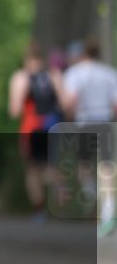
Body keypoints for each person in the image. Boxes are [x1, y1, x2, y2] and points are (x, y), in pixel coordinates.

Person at [59, 38, 117, 237]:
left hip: (84, 122)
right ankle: (108, 210)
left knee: (84, 164)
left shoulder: (75, 73)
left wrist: (68, 117)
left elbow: (70, 101)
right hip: (105, 121)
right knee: (107, 166)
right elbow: (115, 104)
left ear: (83, 53)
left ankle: (90, 192)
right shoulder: (109, 73)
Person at [8, 43, 63, 220]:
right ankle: (62, 196)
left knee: (33, 169)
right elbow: (65, 103)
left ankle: (39, 210)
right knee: (52, 166)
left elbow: (15, 109)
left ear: (26, 59)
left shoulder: (21, 77)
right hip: (53, 125)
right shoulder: (53, 75)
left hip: (32, 127)